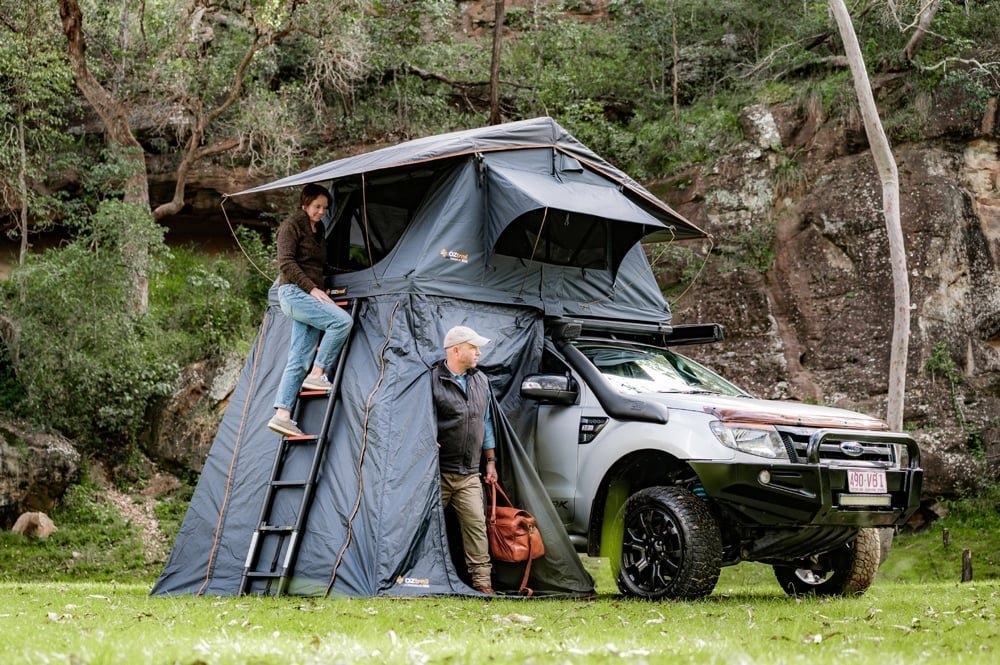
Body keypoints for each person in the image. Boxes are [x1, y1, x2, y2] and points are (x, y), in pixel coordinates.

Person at [267, 183, 354, 438]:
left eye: (325, 208)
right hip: (294, 292)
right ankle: (318, 373)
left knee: (298, 356)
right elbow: (286, 263)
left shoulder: (320, 229)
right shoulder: (291, 226)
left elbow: (319, 264)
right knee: (341, 323)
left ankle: (282, 414)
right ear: (304, 204)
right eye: (317, 207)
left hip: (307, 292)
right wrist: (312, 289)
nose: (320, 212)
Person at [431, 325, 498, 595]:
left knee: (476, 530)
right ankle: (421, 579)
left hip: (470, 473)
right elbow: (420, 417)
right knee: (427, 528)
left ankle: (483, 585)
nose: (479, 352)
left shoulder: (481, 380)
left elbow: (486, 422)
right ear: (456, 350)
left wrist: (490, 461)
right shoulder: (432, 379)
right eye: (474, 347)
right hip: (437, 472)